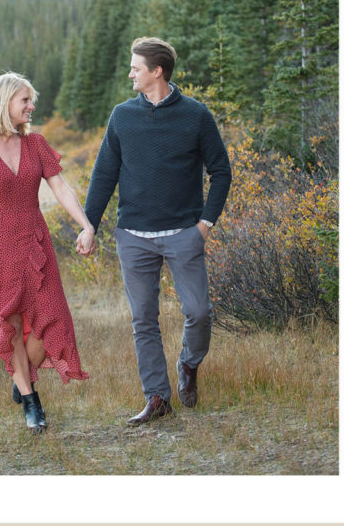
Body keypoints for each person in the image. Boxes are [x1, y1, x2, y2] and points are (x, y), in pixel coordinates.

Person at [84, 36, 231, 425]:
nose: (130, 73)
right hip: (133, 236)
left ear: (156, 71)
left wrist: (205, 223)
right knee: (143, 320)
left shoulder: (196, 116)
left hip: (184, 233)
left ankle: (188, 363)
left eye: (136, 67)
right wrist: (89, 226)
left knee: (199, 312)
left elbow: (221, 171)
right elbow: (103, 175)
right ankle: (157, 398)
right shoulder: (122, 116)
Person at [0, 72, 93, 433]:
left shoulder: (35, 144)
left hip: (35, 240)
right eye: (25, 101)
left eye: (31, 100)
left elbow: (61, 187)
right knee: (12, 323)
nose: (32, 106)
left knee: (53, 316)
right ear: (5, 103)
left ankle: (22, 378)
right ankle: (31, 400)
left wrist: (86, 224)